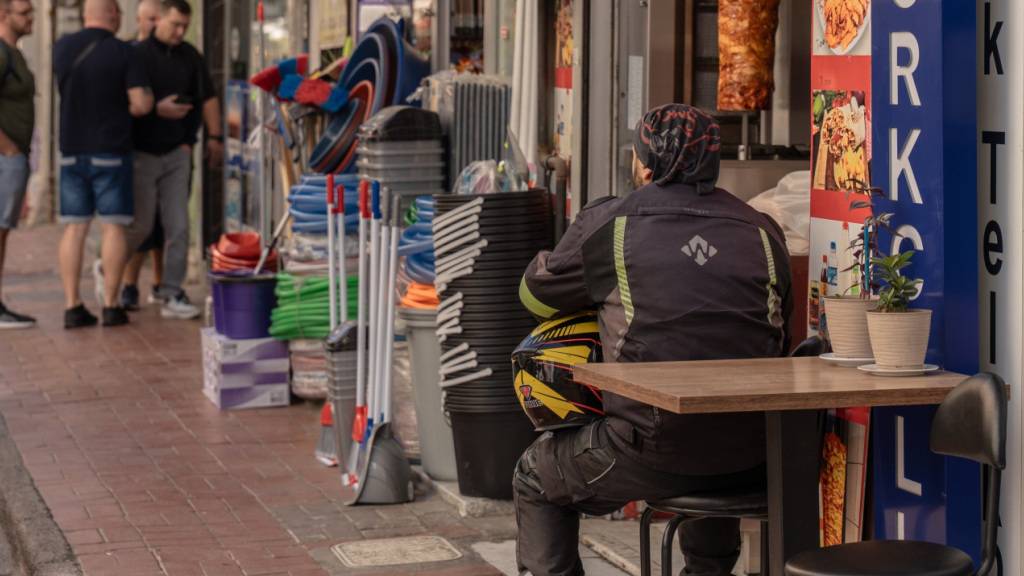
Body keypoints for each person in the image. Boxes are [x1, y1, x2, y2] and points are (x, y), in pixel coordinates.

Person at [514, 104, 794, 576]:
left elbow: (536, 298)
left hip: (648, 448)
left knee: (536, 476)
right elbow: (779, 329)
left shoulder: (612, 223)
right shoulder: (763, 229)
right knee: (713, 431)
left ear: (644, 164)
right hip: (756, 450)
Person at [54, 0, 153, 329]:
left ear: (86, 14)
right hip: (111, 149)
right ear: (112, 14)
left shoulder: (63, 47)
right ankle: (111, 306)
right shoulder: (124, 52)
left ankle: (71, 305)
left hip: (71, 148)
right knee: (113, 225)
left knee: (74, 226)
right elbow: (139, 104)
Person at [126, 0, 223, 320]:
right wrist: (158, 109)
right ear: (158, 21)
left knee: (178, 225)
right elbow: (126, 103)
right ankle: (113, 270)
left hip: (178, 152)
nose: (180, 32)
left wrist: (214, 137)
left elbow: (207, 97)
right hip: (142, 152)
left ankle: (170, 290)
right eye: (175, 25)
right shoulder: (137, 55)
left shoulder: (190, 56)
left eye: (185, 26)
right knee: (140, 227)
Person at [118, 0, 163, 311]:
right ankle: (128, 283)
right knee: (140, 223)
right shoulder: (126, 53)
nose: (151, 25)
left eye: (156, 19)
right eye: (147, 19)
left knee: (165, 224)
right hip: (136, 149)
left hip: (170, 149)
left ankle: (160, 283)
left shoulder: (177, 53)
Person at [0, 0, 35, 329]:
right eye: (24, 13)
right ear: (3, 15)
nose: (31, 18)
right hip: (5, 157)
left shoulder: (16, 52)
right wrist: (8, 147)